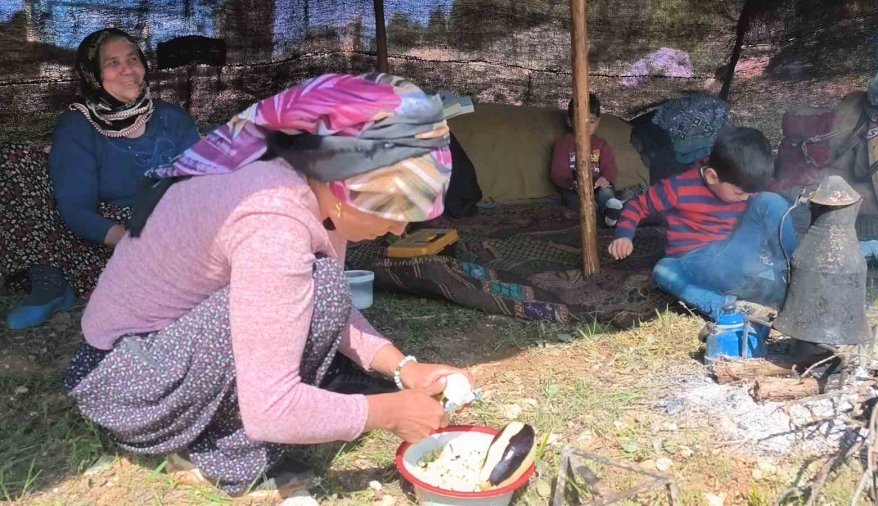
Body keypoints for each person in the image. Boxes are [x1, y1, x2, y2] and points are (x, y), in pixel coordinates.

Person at [64, 73, 473, 498]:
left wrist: (404, 368)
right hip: (126, 384)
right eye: (394, 206)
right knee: (323, 290)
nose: (400, 225)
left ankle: (250, 412)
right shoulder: (272, 220)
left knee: (325, 289)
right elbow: (272, 410)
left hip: (153, 355)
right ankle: (224, 456)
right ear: (344, 182)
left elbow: (323, 305)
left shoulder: (315, 190)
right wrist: (387, 412)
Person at [3, 28, 199, 330]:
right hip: (103, 235)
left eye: (133, 59)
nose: (128, 70)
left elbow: (202, 185)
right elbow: (75, 208)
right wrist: (130, 241)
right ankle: (53, 284)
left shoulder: (171, 117)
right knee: (15, 160)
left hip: (172, 229)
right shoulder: (78, 126)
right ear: (93, 74)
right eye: (113, 63)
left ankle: (137, 285)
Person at [608, 127, 797, 319]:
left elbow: (762, 203)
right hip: (693, 264)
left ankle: (793, 271)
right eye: (739, 193)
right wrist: (624, 236)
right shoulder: (678, 188)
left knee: (771, 201)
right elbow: (637, 206)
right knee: (663, 270)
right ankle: (725, 308)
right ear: (712, 177)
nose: (745, 198)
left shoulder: (740, 182)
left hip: (736, 256)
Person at [550, 94, 622, 226]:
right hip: (574, 189)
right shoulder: (563, 144)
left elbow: (610, 167)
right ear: (570, 122)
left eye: (591, 122)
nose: (586, 126)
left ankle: (611, 212)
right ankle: (603, 219)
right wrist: (571, 183)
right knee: (578, 203)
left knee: (606, 193)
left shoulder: (601, 144)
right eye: (580, 121)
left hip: (598, 186)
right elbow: (557, 173)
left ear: (598, 122)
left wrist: (605, 179)